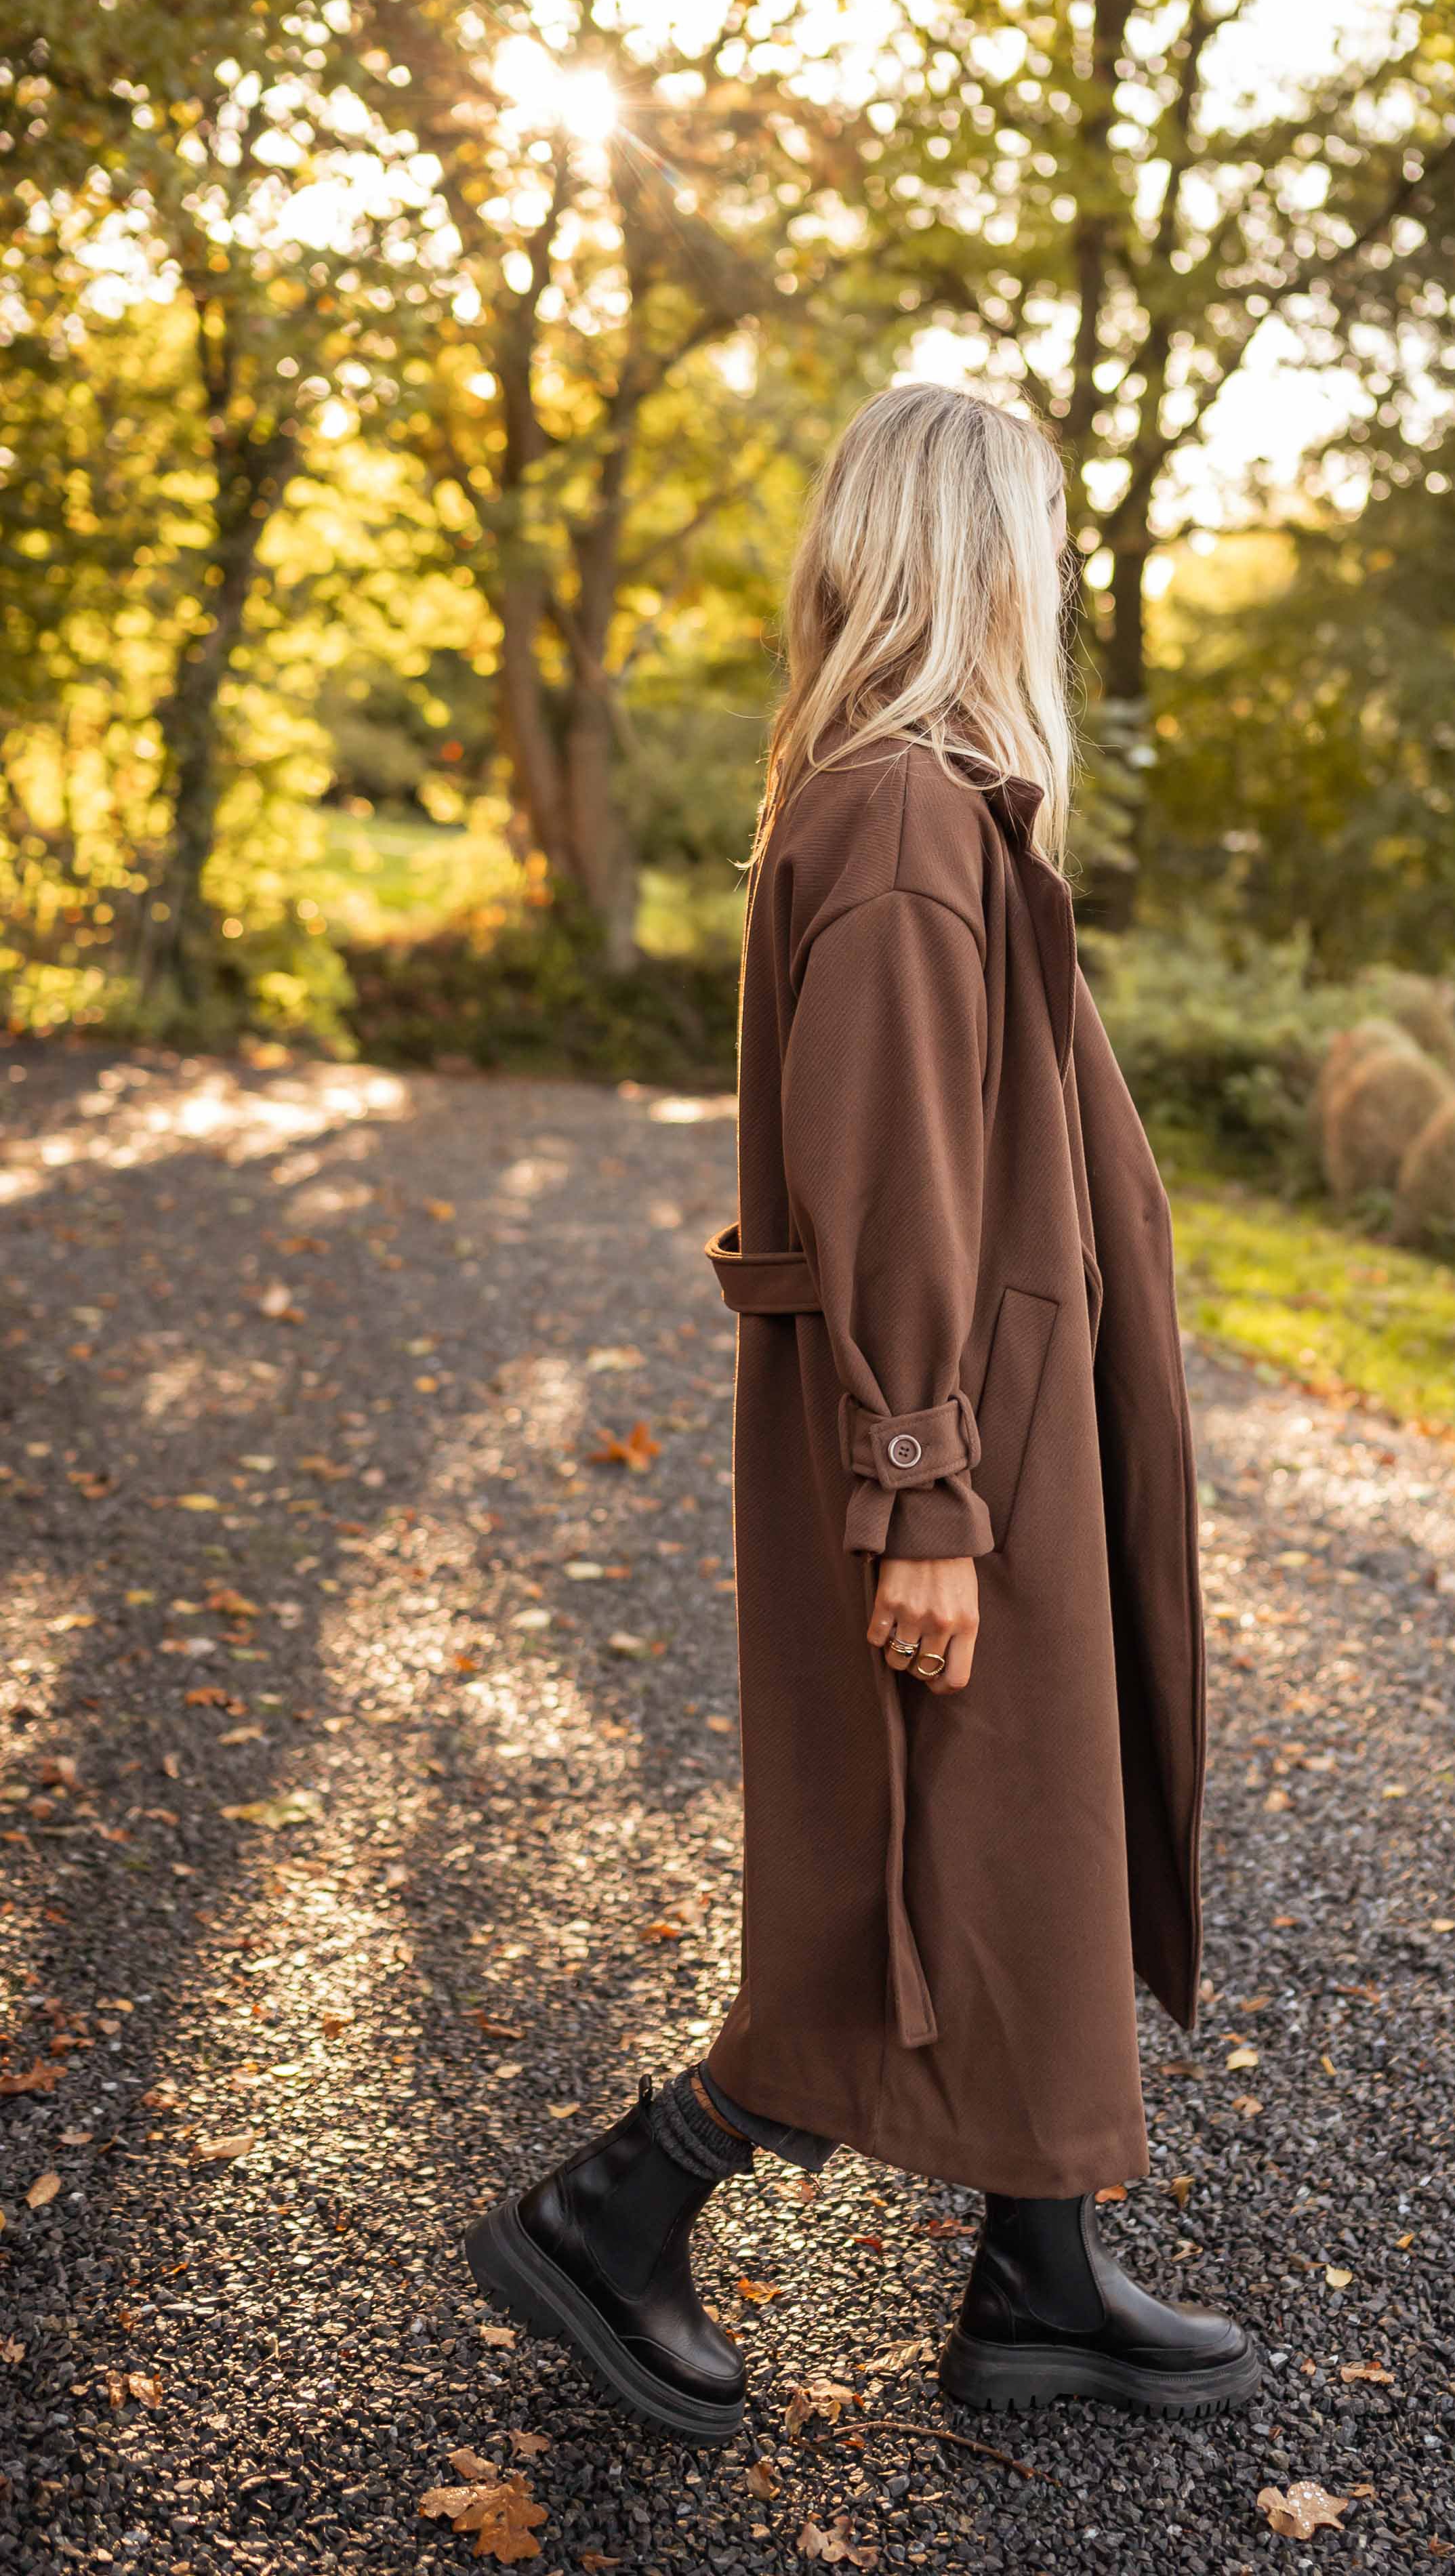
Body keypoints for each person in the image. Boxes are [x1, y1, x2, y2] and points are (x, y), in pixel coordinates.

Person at [464, 381, 1261, 2444]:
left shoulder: (922, 807)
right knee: (902, 1869)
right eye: (1042, 545)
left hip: (1004, 1438)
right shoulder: (910, 825)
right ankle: (614, 2208)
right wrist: (922, 1486)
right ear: (975, 563)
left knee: (1013, 1839)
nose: (1059, 584)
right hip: (958, 1448)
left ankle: (1041, 2275)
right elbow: (891, 1169)